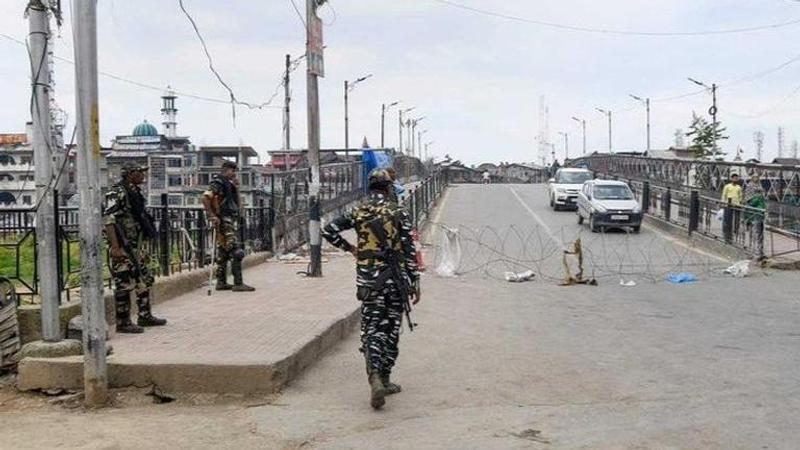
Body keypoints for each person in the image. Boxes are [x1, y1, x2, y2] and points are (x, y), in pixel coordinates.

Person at [322, 169, 421, 410]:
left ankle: (374, 375)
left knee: (371, 328)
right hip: (394, 280)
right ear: (388, 188)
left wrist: (350, 248)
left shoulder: (358, 212)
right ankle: (384, 378)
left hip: (368, 281)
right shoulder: (398, 212)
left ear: (370, 188)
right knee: (391, 328)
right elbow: (409, 249)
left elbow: (328, 231)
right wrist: (414, 281)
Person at [103, 162, 167, 333]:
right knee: (123, 283)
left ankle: (145, 315)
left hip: (136, 245)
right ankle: (123, 322)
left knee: (143, 279)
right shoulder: (117, 192)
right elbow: (109, 220)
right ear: (130, 173)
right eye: (140, 172)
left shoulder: (134, 191)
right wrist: (115, 247)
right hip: (123, 245)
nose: (143, 175)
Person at [202, 160, 255, 292]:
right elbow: (206, 198)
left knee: (224, 251)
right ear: (226, 170)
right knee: (236, 251)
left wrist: (236, 188)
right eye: (232, 171)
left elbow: (238, 204)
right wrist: (211, 215)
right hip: (223, 219)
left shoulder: (228, 184)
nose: (234, 174)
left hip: (228, 218)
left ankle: (221, 282)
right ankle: (238, 283)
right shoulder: (218, 182)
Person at [743, 174, 767, 260]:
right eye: (754, 177)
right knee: (755, 233)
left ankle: (760, 251)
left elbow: (763, 203)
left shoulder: (760, 188)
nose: (756, 179)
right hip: (753, 215)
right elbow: (749, 202)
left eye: (757, 177)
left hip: (760, 215)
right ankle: (754, 251)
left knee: (760, 234)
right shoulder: (750, 187)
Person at [721, 173, 743, 238]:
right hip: (728, 204)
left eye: (736, 178)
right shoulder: (727, 186)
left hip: (736, 204)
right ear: (731, 178)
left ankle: (736, 230)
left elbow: (740, 196)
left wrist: (740, 203)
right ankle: (726, 229)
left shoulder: (739, 187)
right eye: (734, 178)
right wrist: (723, 202)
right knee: (727, 217)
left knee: (737, 218)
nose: (735, 179)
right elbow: (724, 195)